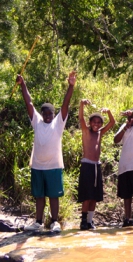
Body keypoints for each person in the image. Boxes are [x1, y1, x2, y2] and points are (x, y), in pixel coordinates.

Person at [16, 71, 77, 232]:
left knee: (54, 196)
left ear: (54, 114)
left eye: (51, 113)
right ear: (42, 115)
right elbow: (29, 103)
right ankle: (38, 222)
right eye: (46, 114)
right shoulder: (37, 122)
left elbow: (65, 104)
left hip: (54, 166)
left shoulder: (58, 123)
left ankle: (55, 222)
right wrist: (23, 84)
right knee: (39, 196)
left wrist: (71, 86)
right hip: (37, 165)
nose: (48, 116)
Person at [78, 99, 115, 230]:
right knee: (87, 195)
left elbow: (112, 123)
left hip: (96, 166)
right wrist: (81, 105)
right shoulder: (86, 131)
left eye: (99, 122)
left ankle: (89, 221)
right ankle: (83, 221)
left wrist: (109, 112)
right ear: (90, 123)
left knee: (94, 196)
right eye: (94, 122)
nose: (96, 124)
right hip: (87, 165)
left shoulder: (100, 132)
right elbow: (81, 118)